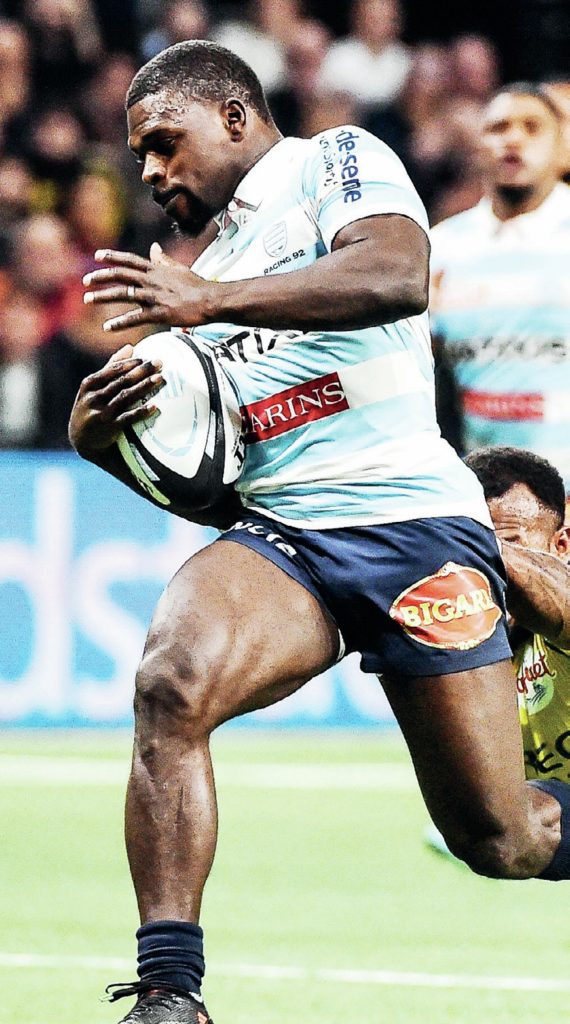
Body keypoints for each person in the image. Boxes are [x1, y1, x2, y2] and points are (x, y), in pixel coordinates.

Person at [69, 41, 570, 1024]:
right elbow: (220, 492)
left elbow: (397, 274)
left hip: (417, 526)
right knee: (170, 683)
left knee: (500, 839)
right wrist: (109, 449)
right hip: (288, 535)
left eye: (165, 142)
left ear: (233, 116)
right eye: (139, 158)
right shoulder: (203, 275)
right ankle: (170, 992)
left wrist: (206, 304)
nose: (153, 172)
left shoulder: (334, 162)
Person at [427, 446, 570, 858]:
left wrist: (465, 542)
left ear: (561, 546)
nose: (481, 575)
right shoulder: (459, 637)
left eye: (508, 545)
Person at [430, 84, 570, 486]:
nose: (513, 139)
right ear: (478, 147)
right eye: (498, 127)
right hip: (484, 493)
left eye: (532, 127)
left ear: (562, 149)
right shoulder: (442, 247)